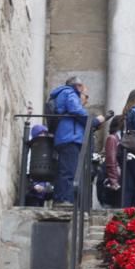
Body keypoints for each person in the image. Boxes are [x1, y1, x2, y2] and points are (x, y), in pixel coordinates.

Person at [47, 76, 105, 205]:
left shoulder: (64, 93)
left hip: (66, 136)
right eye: (82, 87)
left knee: (67, 170)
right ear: (77, 86)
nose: (83, 90)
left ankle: (62, 199)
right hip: (70, 137)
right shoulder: (69, 92)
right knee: (68, 171)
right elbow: (76, 110)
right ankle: (64, 200)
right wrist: (94, 121)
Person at [99, 115, 122, 208]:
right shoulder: (113, 138)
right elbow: (111, 160)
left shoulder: (120, 138)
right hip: (111, 178)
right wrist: (114, 181)